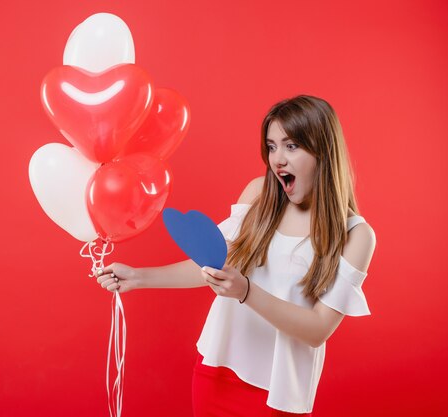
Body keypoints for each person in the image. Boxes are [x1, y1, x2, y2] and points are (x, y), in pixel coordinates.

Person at [95, 95, 377, 416]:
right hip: (216, 370)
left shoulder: (355, 235)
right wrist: (139, 276)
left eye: (291, 146)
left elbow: (317, 330)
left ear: (323, 150)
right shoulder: (259, 195)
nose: (278, 160)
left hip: (278, 390)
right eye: (271, 147)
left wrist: (245, 291)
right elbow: (216, 267)